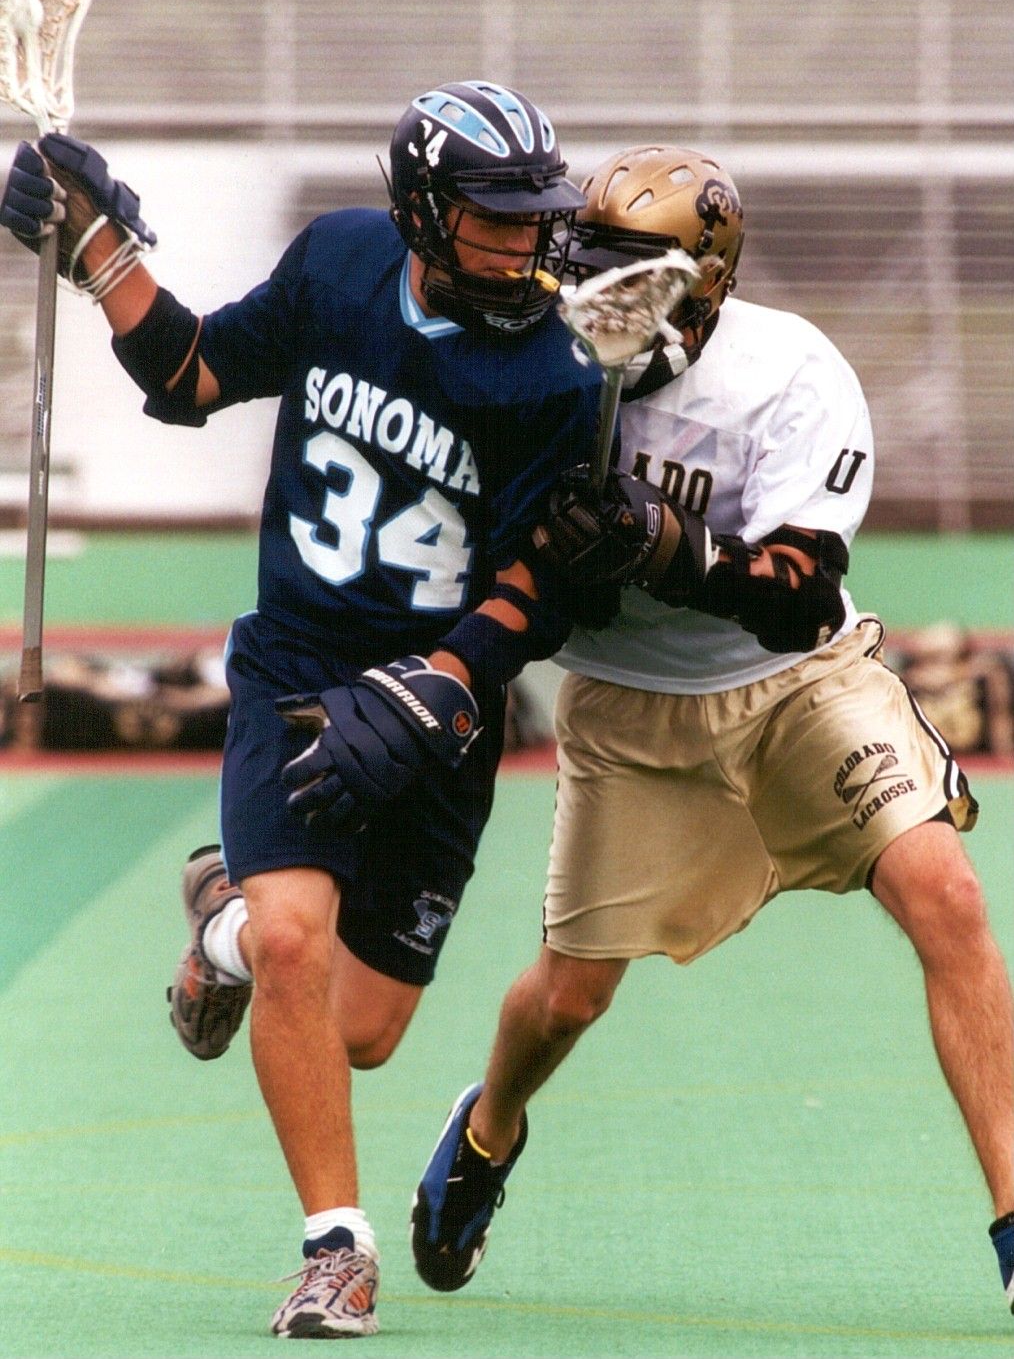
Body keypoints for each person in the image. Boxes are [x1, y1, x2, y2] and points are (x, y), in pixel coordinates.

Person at [0, 80, 603, 1338]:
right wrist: (96, 250)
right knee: (296, 946)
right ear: (423, 213)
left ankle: (219, 920)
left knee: (360, 1029)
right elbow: (195, 372)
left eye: (534, 216)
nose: (524, 242)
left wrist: (445, 682)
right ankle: (337, 1249)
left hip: (437, 704)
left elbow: (537, 583)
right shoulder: (337, 262)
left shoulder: (556, 372)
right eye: (496, 218)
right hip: (297, 667)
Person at [408, 144, 1014, 1316]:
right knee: (570, 997)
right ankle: (489, 1129)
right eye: (594, 263)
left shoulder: (789, 374)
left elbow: (799, 594)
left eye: (641, 275)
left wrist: (671, 551)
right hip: (629, 709)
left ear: (711, 283)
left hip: (794, 685)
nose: (608, 297)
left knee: (947, 893)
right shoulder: (532, 362)